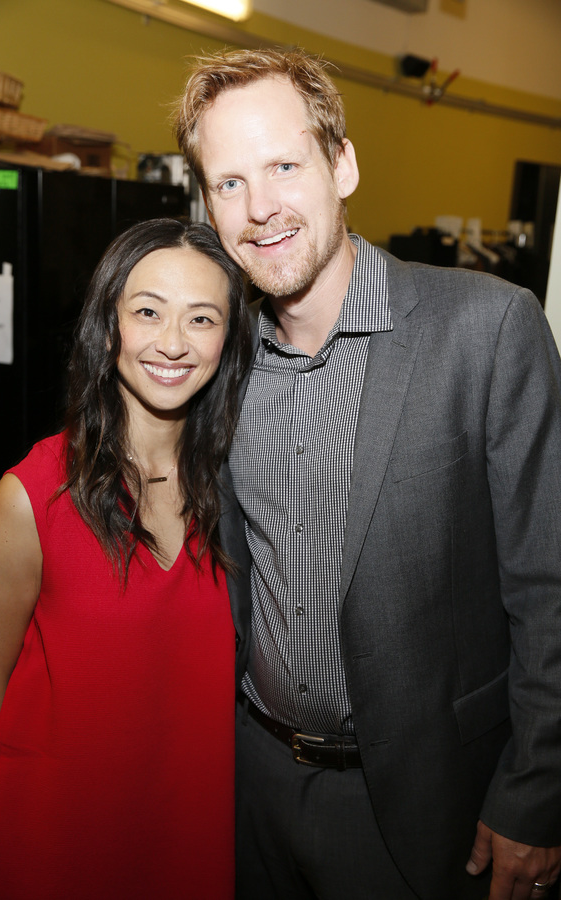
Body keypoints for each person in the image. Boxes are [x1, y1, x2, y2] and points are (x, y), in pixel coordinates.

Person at [174, 48, 561, 900]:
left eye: (283, 165)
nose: (260, 207)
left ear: (342, 164)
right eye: (228, 182)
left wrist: (535, 795)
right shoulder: (218, 354)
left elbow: (550, 586)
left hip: (424, 807)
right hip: (253, 783)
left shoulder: (487, 330)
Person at [0, 217, 251, 899]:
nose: (173, 343)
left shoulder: (239, 493)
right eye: (148, 311)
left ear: (228, 342)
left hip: (193, 837)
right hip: (55, 843)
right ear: (108, 323)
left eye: (202, 319)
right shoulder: (32, 495)